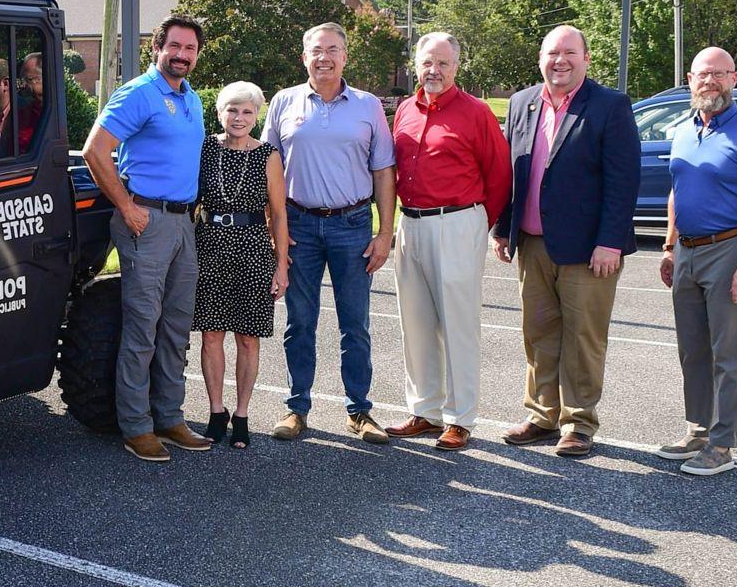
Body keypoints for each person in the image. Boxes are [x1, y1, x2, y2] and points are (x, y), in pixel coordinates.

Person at [494, 25, 641, 458]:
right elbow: (512, 171)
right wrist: (504, 227)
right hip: (532, 241)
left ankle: (578, 422)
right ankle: (542, 414)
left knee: (583, 337)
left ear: (586, 59)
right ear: (541, 59)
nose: (560, 61)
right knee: (539, 332)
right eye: (552, 53)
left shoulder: (610, 105)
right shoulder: (522, 103)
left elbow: (623, 180)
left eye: (569, 53)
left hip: (589, 248)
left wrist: (610, 241)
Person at [82, 15, 214, 461]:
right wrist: (125, 206)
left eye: (190, 49)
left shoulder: (190, 97)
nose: (182, 55)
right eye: (174, 46)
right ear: (157, 48)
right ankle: (136, 426)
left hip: (181, 222)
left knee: (176, 328)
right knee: (143, 327)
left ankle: (169, 416)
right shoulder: (140, 92)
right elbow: (94, 150)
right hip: (146, 220)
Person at [261, 22, 396, 445]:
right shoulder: (284, 102)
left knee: (354, 324)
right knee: (300, 322)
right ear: (304, 57)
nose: (325, 57)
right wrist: (274, 227)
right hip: (298, 225)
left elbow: (383, 171)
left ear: (345, 57)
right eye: (317, 50)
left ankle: (359, 411)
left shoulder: (368, 105)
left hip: (353, 225)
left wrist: (385, 231)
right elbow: (268, 169)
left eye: (333, 50)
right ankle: (296, 407)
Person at [656, 47, 737, 476]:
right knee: (693, 350)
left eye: (719, 75)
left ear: (734, 78)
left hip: (730, 251)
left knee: (728, 353)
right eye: (702, 75)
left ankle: (723, 444)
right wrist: (670, 246)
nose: (710, 82)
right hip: (687, 250)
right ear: (690, 80)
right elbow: (676, 191)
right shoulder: (685, 130)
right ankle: (698, 430)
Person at [384, 33, 511, 451]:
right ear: (415, 64)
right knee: (415, 322)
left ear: (456, 67)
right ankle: (425, 410)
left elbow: (498, 175)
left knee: (458, 324)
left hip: (457, 222)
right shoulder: (405, 109)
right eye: (427, 63)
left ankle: (460, 417)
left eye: (443, 63)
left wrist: (477, 226)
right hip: (411, 224)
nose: (434, 71)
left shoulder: (475, 112)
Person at [192, 80, 290, 448]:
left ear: (257, 116)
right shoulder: (204, 148)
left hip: (252, 250)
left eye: (247, 111)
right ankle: (216, 412)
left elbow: (279, 215)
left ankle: (242, 414)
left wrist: (281, 266)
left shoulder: (268, 155)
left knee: (248, 338)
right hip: (209, 247)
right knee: (212, 334)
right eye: (232, 109)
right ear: (219, 113)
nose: (238, 117)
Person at [17, 51, 45, 154]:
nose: (22, 86)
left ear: (43, 79)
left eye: (28, 79)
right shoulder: (23, 113)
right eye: (22, 80)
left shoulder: (54, 114)